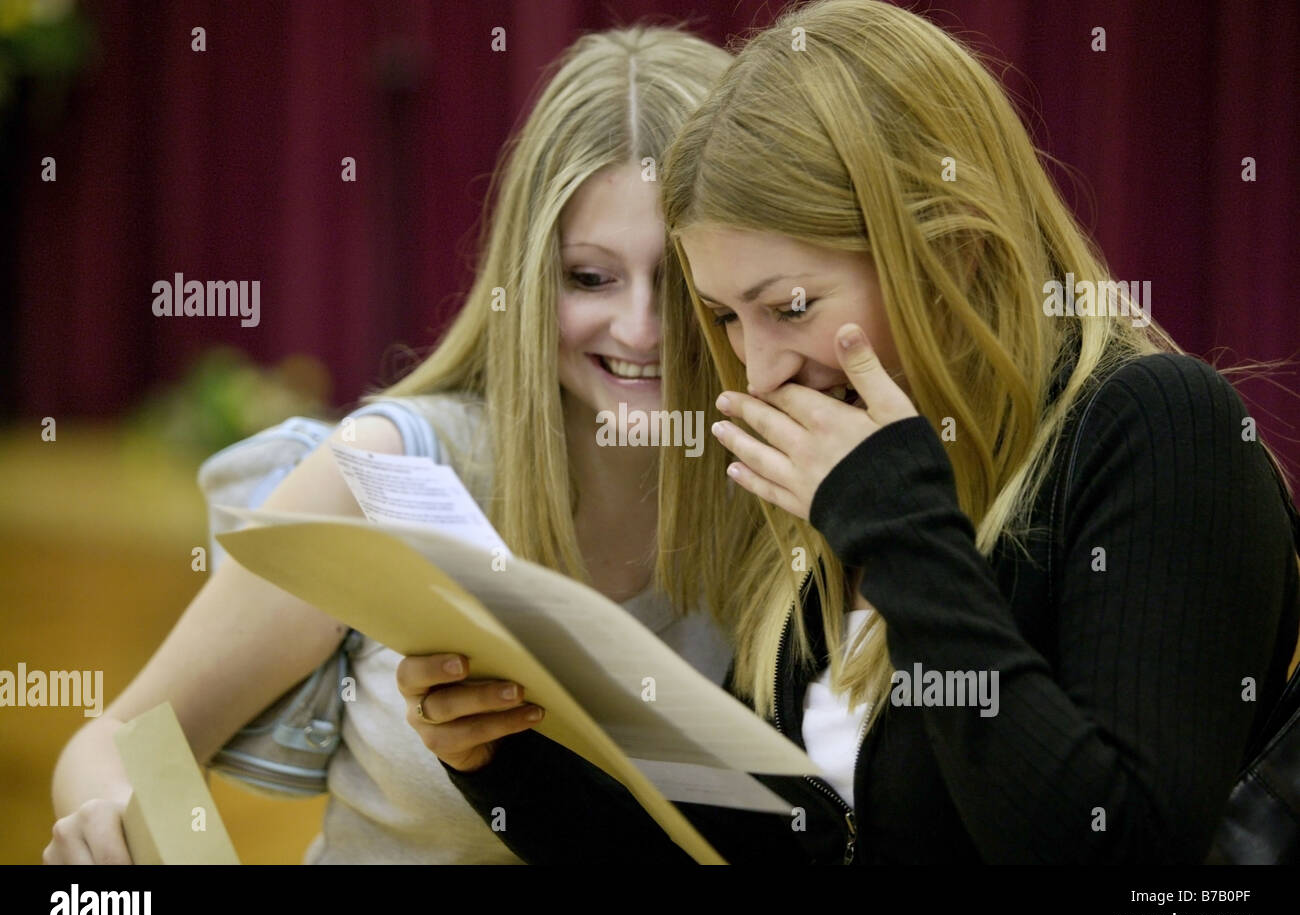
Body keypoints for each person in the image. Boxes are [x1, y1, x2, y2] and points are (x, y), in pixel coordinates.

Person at [408, 0, 1300, 864]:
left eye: (790, 306)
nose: (758, 370)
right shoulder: (863, 469)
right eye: (723, 316)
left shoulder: (1156, 429)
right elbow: (761, 844)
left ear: (951, 252)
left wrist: (906, 537)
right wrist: (500, 762)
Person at [44, 24, 733, 865]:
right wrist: (124, 831)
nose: (639, 328)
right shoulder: (386, 469)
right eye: (590, 277)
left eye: (681, 281)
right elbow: (123, 739)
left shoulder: (787, 491)